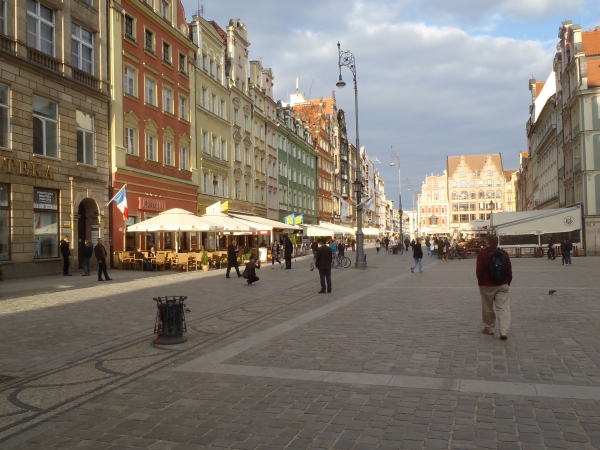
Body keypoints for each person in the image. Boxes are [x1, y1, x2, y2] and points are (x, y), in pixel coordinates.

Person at [477, 234, 512, 340]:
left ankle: (489, 328)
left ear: (487, 242)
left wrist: (480, 283)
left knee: (487, 307)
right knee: (503, 308)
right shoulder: (504, 253)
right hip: (502, 284)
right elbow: (509, 269)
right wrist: (507, 281)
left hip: (487, 285)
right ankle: (504, 331)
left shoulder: (483, 254)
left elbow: (479, 271)